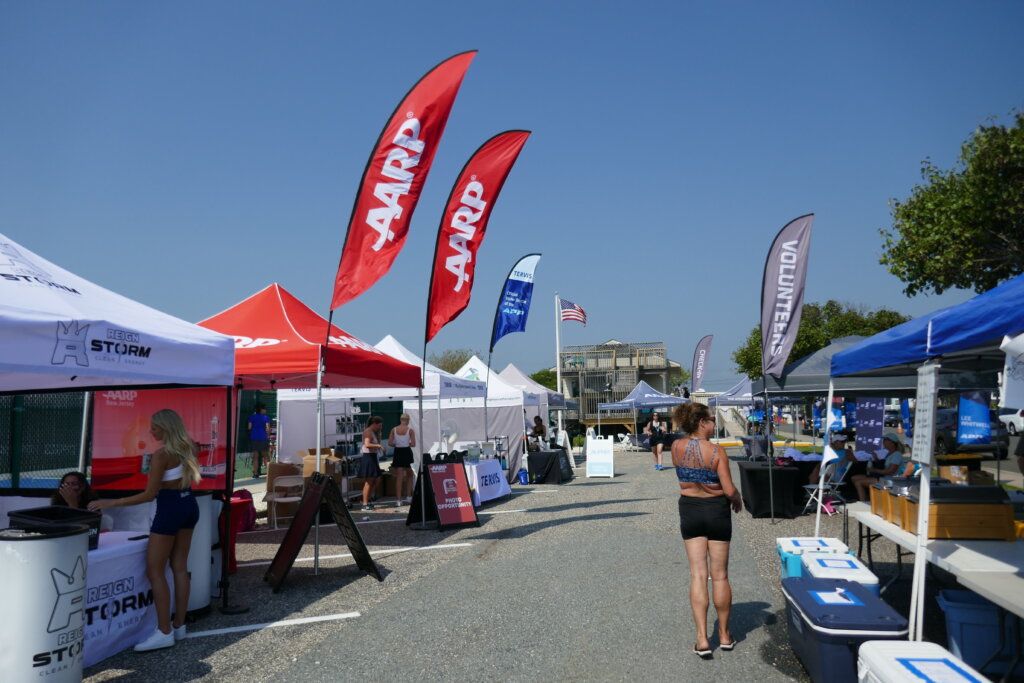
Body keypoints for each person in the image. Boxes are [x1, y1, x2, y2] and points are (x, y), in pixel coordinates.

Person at [88, 409, 200, 652]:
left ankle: (163, 631)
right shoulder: (190, 446)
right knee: (180, 567)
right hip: (189, 503)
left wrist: (110, 503)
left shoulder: (161, 455)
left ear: (166, 428)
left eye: (155, 428)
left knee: (155, 571)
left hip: (170, 508)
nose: (151, 432)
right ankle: (179, 626)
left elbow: (149, 495)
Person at [670, 402, 743, 658]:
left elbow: (686, 475)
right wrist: (737, 499)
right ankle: (724, 635)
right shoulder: (716, 452)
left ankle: (702, 639)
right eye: (712, 419)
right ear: (702, 422)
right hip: (716, 511)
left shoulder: (676, 447)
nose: (714, 424)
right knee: (720, 575)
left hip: (690, 510)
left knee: (698, 575)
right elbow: (729, 489)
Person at [850, 433, 908, 501]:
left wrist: (873, 470)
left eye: (885, 440)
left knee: (858, 482)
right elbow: (884, 466)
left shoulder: (897, 455)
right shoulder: (889, 453)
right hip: (882, 476)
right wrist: (876, 458)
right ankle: (867, 497)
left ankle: (863, 501)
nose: (883, 442)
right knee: (854, 478)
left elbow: (890, 471)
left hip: (888, 479)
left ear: (891, 442)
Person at [387, 414, 416, 506]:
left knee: (399, 477)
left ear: (401, 420)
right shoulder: (410, 430)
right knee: (410, 474)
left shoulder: (394, 429)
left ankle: (398, 500)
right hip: (406, 452)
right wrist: (406, 443)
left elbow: (390, 443)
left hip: (398, 452)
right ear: (407, 420)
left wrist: (397, 444)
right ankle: (408, 496)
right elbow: (413, 444)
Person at [359, 416, 385, 511]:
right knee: (369, 482)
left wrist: (379, 437)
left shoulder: (372, 432)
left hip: (373, 457)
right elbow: (367, 444)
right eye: (379, 425)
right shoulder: (368, 432)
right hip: (368, 457)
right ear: (374, 424)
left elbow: (376, 443)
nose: (380, 427)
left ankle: (368, 499)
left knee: (376, 479)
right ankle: (365, 504)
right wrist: (379, 445)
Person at [247, 403, 271, 478]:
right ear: (261, 409)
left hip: (254, 438)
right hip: (263, 438)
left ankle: (255, 474)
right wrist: (268, 435)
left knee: (255, 457)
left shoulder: (252, 417)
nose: (266, 410)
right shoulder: (265, 417)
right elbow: (267, 428)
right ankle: (269, 474)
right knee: (266, 456)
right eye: (265, 408)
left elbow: (249, 427)